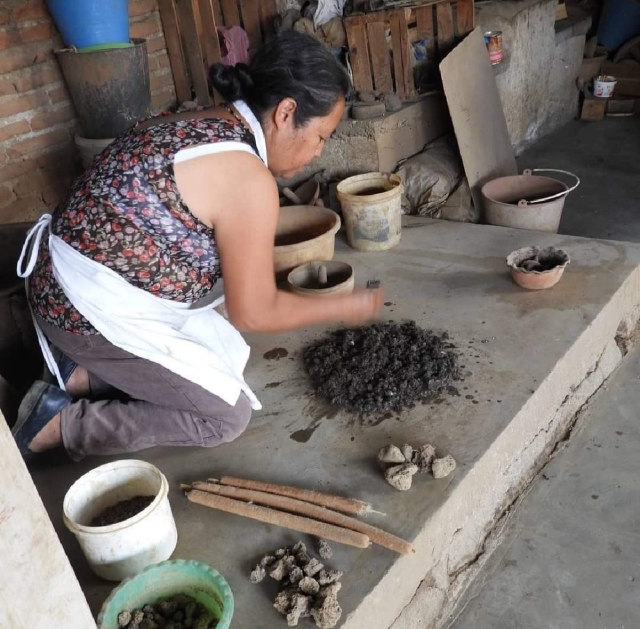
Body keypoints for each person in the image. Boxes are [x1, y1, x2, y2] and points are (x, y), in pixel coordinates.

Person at [13, 32, 382, 462]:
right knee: (224, 415)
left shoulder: (196, 121)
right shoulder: (247, 177)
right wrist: (344, 307)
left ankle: (77, 375)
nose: (318, 152)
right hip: (79, 307)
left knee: (223, 354)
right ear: (286, 112)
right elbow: (255, 312)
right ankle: (57, 426)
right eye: (321, 135)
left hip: (56, 277)